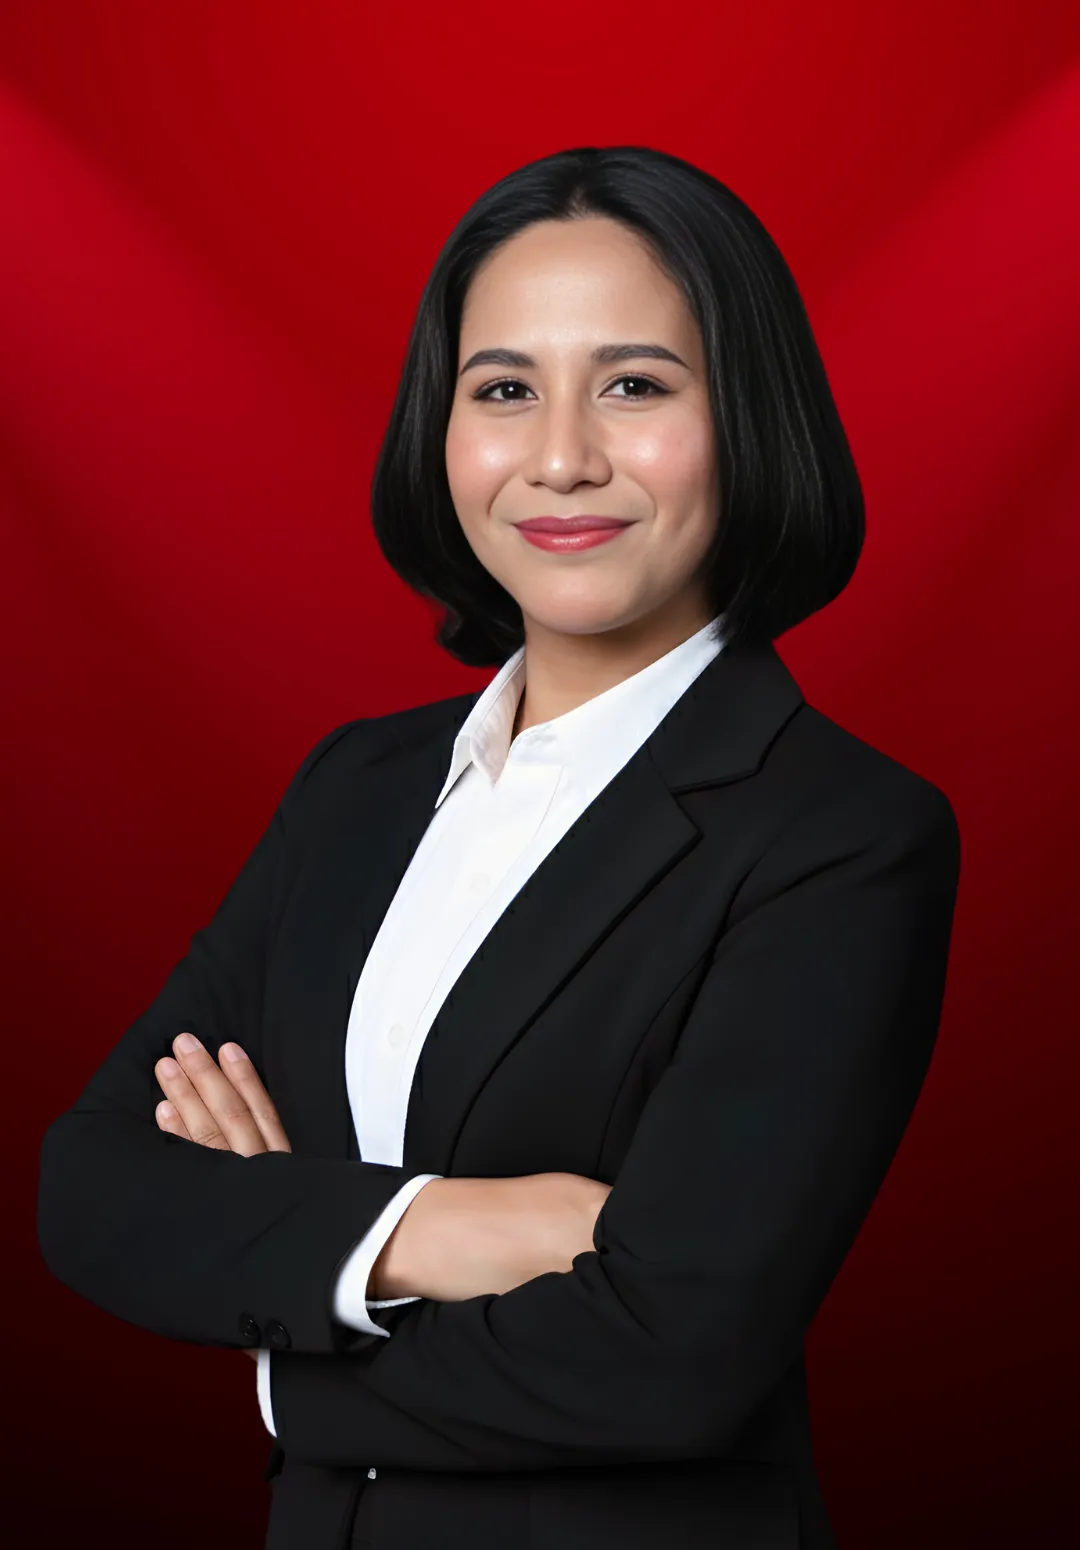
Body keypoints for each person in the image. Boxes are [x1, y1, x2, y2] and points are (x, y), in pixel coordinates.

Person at [37, 145, 962, 1550]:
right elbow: (96, 1184)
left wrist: (283, 1315)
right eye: (505, 389)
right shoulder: (356, 786)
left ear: (748, 417)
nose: (561, 457)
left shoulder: (844, 835)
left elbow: (671, 1356)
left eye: (636, 385)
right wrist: (457, 1228)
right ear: (443, 427)